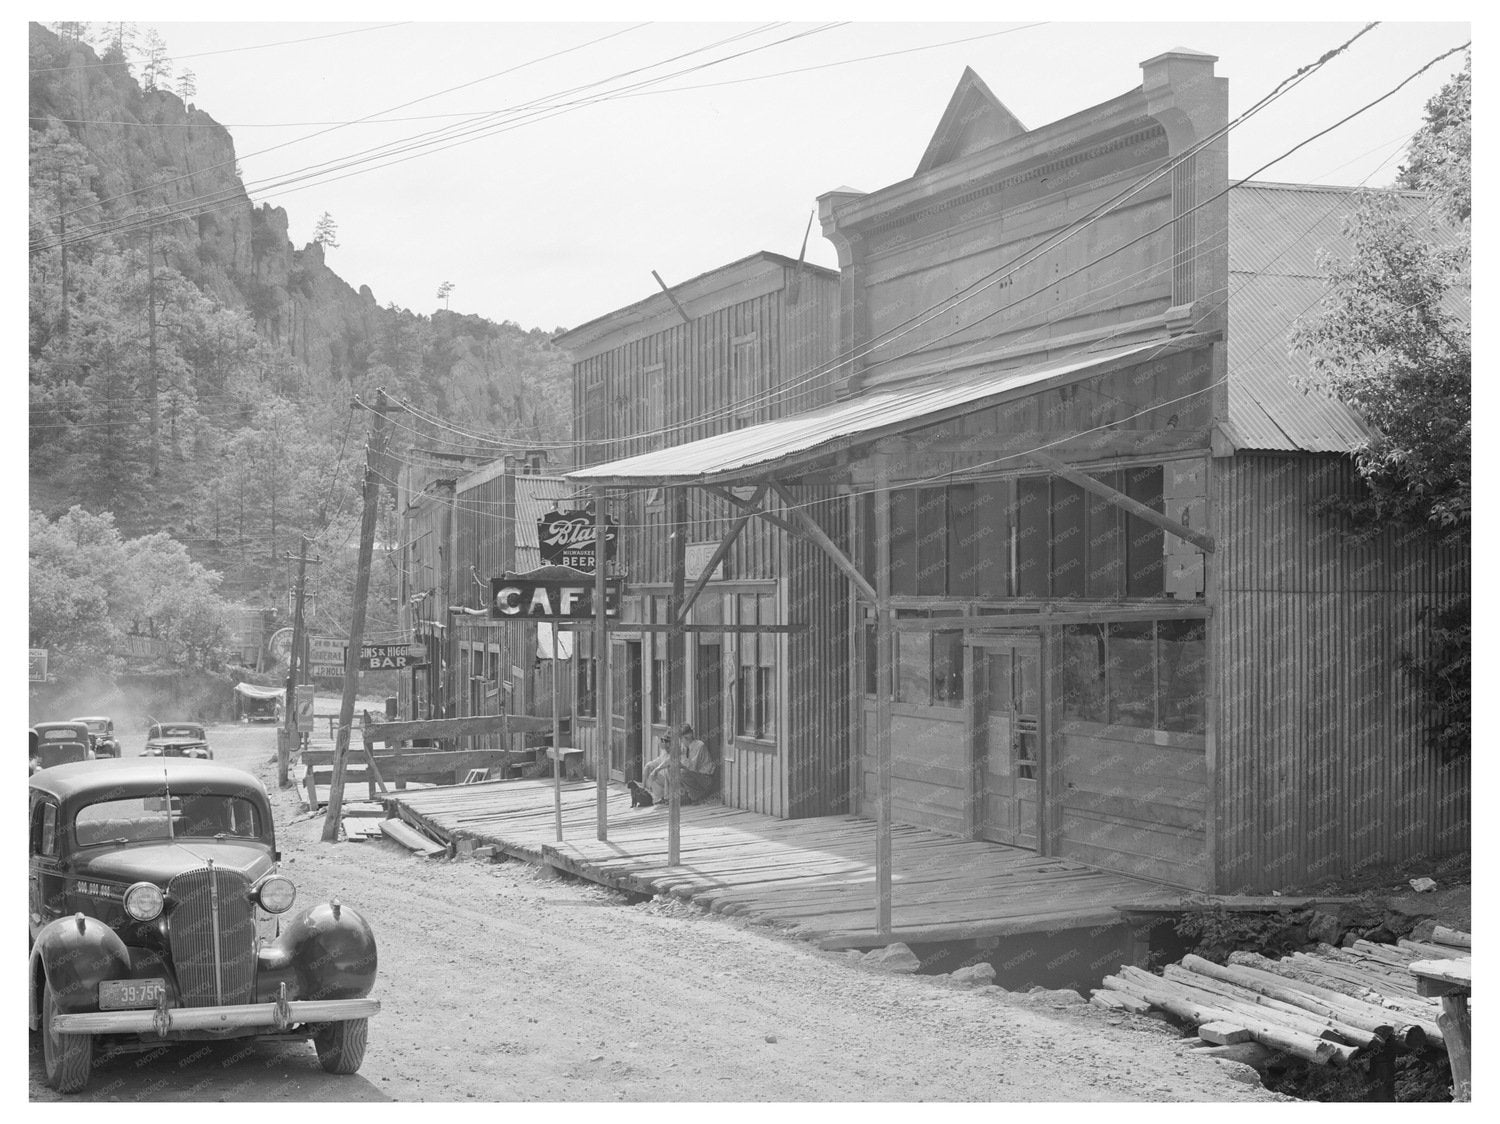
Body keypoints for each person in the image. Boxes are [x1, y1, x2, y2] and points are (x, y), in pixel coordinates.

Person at [634, 724, 717, 807]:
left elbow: (691, 767)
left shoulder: (699, 746)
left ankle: (697, 797)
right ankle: (677, 797)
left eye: (681, 738)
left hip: (705, 779)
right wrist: (657, 769)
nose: (681, 741)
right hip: (694, 777)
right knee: (673, 769)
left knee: (681, 773)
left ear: (688, 736)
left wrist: (679, 764)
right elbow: (671, 759)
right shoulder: (684, 747)